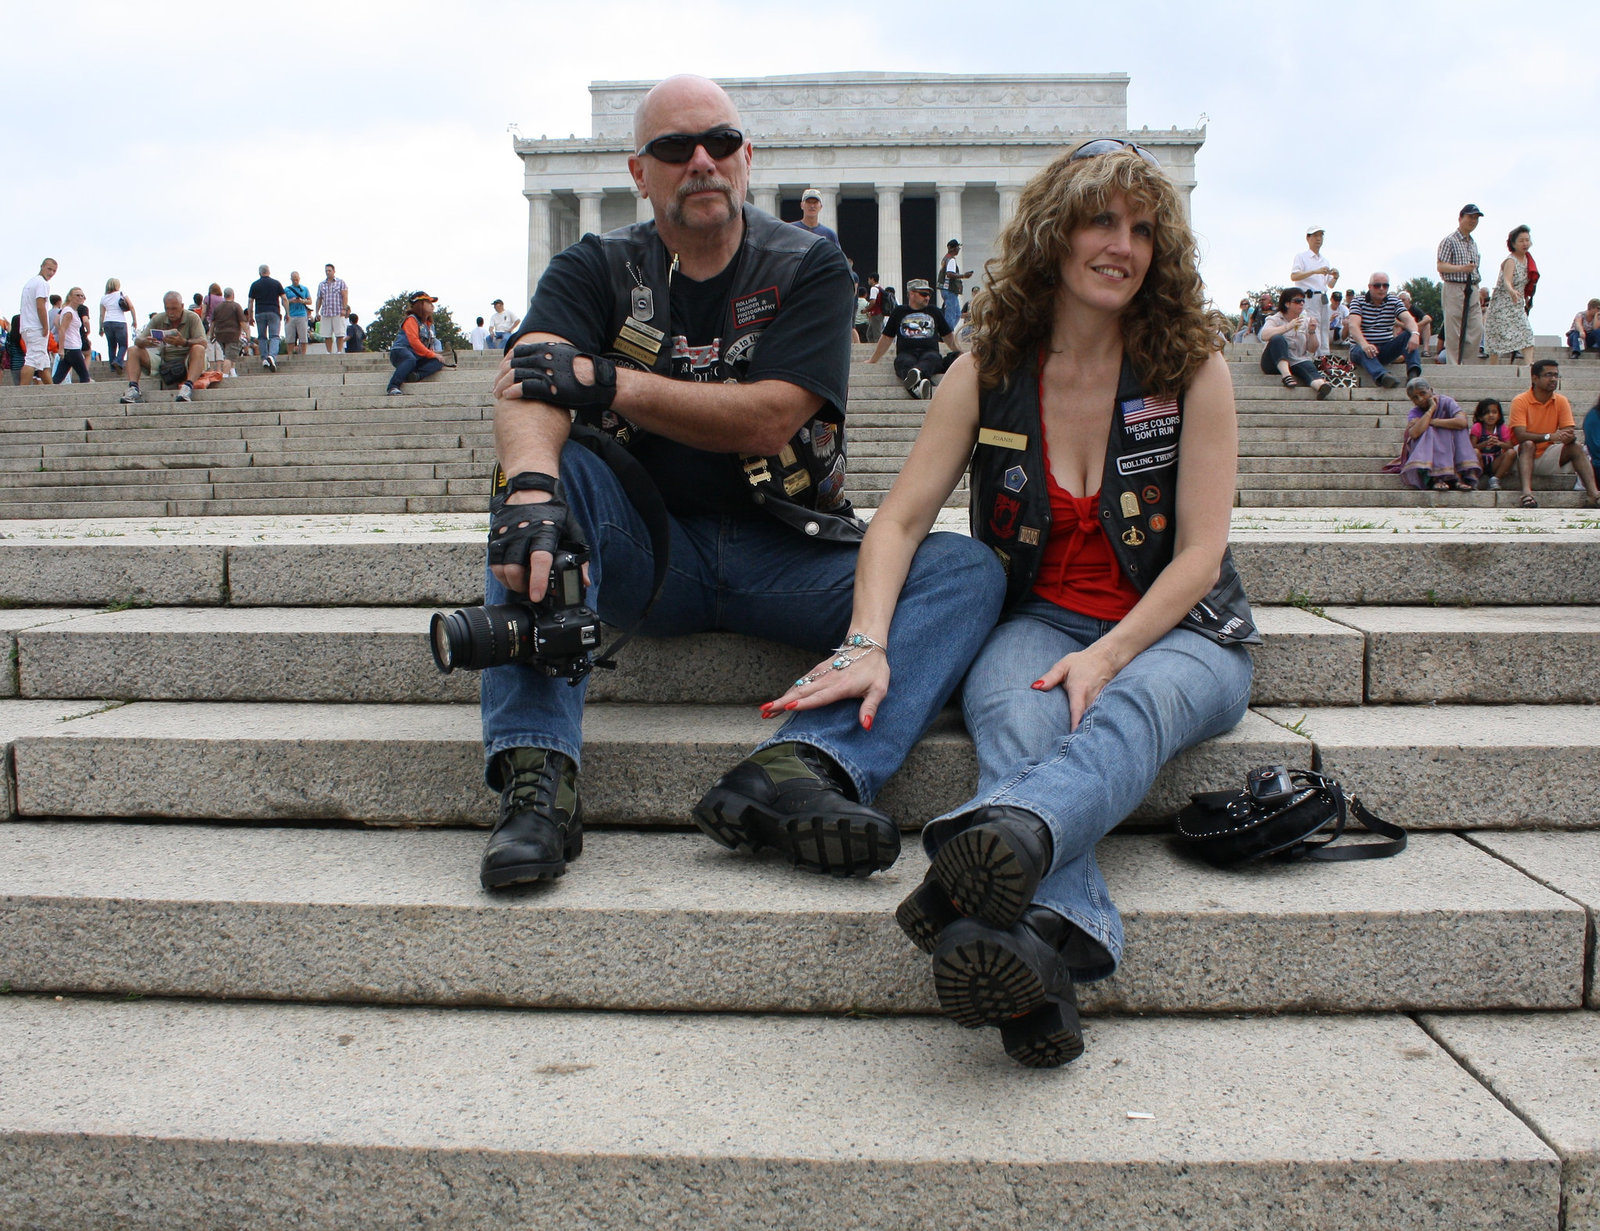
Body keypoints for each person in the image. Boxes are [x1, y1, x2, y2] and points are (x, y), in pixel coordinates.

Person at [768, 138, 1257, 1068]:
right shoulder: (985, 370)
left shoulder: (1192, 368)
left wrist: (1109, 656)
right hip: (1041, 619)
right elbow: (899, 523)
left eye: (1144, 229)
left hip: (1182, 630)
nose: (1125, 245)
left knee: (1133, 706)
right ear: (1053, 235)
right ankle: (1041, 962)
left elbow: (1199, 556)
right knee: (1010, 714)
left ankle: (1008, 836)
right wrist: (867, 640)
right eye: (1101, 221)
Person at [479, 73, 1001, 893]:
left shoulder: (809, 264)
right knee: (547, 482)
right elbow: (529, 380)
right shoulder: (597, 266)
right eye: (673, 148)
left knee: (969, 569)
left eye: (720, 143)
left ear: (748, 158)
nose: (701, 162)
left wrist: (608, 383)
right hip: (649, 546)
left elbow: (770, 418)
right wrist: (532, 489)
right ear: (637, 172)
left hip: (791, 549)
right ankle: (538, 777)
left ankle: (803, 763)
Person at [1511, 360, 1600, 507]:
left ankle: (1593, 494)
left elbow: (1568, 430)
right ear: (1535, 378)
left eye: (1556, 375)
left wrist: (1568, 437)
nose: (1553, 379)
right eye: (1548, 375)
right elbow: (1520, 435)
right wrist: (1550, 436)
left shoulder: (1561, 401)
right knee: (1528, 444)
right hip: (1520, 455)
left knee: (1576, 447)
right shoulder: (1520, 401)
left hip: (1547, 453)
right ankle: (1527, 493)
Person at [866, 278, 959, 399]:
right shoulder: (899, 312)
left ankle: (916, 376)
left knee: (932, 360)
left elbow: (948, 336)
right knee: (903, 363)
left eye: (929, 294)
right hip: (906, 353)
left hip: (929, 352)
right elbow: (886, 338)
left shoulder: (934, 311)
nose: (927, 297)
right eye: (923, 294)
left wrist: (959, 352)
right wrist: (873, 359)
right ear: (911, 293)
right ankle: (920, 384)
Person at [1383, 377, 1480, 491]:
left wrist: (1433, 422)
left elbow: (1462, 422)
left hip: (1451, 446)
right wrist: (1431, 410)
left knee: (1451, 428)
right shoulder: (1415, 412)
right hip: (1430, 452)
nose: (1420, 399)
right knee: (1428, 431)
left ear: (1431, 390)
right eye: (1415, 397)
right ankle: (1437, 477)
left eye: (1423, 393)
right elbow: (1414, 434)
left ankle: (1457, 476)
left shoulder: (1447, 401)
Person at [119, 291, 206, 404]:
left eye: (174, 309)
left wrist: (184, 342)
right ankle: (133, 389)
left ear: (182, 306)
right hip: (164, 360)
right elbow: (138, 340)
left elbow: (203, 342)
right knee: (133, 350)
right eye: (167, 309)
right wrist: (144, 342)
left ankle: (187, 387)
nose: (171, 313)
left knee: (199, 348)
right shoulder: (158, 319)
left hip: (188, 360)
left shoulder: (192, 317)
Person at [1346, 272, 1422, 387]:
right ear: (1370, 287)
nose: (1381, 289)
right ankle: (1382, 376)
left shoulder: (1394, 301)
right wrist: (1364, 344)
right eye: (1377, 285)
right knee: (1360, 350)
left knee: (1408, 335)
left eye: (1385, 285)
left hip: (1384, 349)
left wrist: (1415, 334)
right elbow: (1353, 326)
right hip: (1361, 349)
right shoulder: (1358, 301)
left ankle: (1413, 375)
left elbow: (1409, 319)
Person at [1258, 287, 1332, 398]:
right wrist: (1288, 326)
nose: (1301, 304)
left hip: (1296, 360)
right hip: (1273, 362)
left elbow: (1312, 349)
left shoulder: (1306, 321)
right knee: (1277, 338)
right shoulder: (1275, 319)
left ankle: (1320, 386)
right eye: (1297, 301)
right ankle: (1286, 375)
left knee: (1308, 366)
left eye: (1303, 301)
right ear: (1287, 304)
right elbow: (1264, 335)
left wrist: (1312, 332)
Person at [1437, 204, 1485, 365]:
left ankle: (1468, 363)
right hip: (1454, 285)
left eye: (1476, 218)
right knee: (1454, 330)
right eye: (1470, 217)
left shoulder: (1473, 243)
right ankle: (1454, 365)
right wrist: (1462, 269)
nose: (1473, 221)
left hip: (1472, 287)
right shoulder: (1449, 241)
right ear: (1461, 218)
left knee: (1476, 328)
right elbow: (1441, 265)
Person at [1484, 225, 1536, 364]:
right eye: (1521, 240)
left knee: (1526, 333)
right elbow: (1507, 280)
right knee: (1496, 340)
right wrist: (1512, 290)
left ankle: (1529, 364)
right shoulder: (1511, 260)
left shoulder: (1527, 260)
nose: (1525, 243)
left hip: (1517, 304)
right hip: (1501, 304)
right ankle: (1492, 369)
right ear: (1513, 243)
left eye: (1527, 240)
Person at [1289, 226, 1338, 357]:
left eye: (1321, 236)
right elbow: (1294, 276)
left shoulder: (1325, 260)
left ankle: (1324, 357)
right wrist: (1314, 271)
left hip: (1322, 297)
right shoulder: (1301, 257)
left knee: (1324, 328)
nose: (1318, 239)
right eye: (1315, 236)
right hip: (1308, 297)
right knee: (1312, 326)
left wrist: (1336, 277)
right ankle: (1314, 357)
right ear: (1308, 238)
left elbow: (1329, 284)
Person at [386, 291, 446, 394]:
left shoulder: (430, 325)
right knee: (410, 358)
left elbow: (429, 345)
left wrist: (434, 355)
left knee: (438, 361)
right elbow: (414, 342)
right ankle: (393, 386)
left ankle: (415, 375)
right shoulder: (411, 320)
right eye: (429, 302)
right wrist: (431, 354)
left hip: (417, 356)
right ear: (420, 304)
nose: (432, 306)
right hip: (401, 352)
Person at [17, 258, 57, 387]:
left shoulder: (30, 283)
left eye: (54, 271)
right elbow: (40, 305)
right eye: (49, 269)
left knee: (43, 361)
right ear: (42, 267)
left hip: (27, 326)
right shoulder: (42, 283)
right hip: (36, 327)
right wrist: (46, 326)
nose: (51, 273)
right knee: (33, 359)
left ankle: (52, 392)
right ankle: (20, 393)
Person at [1470, 398, 1516, 490]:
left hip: (1494, 462)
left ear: (1499, 415)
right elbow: (1471, 447)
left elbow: (1510, 446)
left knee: (1511, 452)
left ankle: (1495, 479)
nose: (1491, 415)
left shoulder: (1501, 428)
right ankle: (1474, 478)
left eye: (1494, 412)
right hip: (1480, 461)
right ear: (1480, 416)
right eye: (1487, 413)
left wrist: (1499, 443)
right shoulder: (1477, 427)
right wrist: (1484, 444)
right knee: (1475, 451)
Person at [247, 265, 286, 371]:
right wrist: (287, 312)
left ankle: (264, 358)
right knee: (274, 336)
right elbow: (284, 298)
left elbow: (250, 301)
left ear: (259, 273)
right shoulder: (276, 283)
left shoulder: (254, 285)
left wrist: (250, 316)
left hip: (260, 312)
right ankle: (272, 356)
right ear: (269, 272)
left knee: (262, 337)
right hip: (274, 312)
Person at [51, 287, 92, 384]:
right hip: (72, 348)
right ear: (70, 297)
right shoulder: (69, 312)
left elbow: (57, 322)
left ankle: (47, 395)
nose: (80, 297)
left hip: (71, 347)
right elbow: (62, 329)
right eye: (77, 295)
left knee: (57, 378)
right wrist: (61, 349)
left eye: (82, 296)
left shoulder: (73, 311)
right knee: (85, 377)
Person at [98, 278, 135, 374]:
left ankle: (113, 367)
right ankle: (118, 361)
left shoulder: (103, 298)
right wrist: (134, 320)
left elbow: (101, 314)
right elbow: (131, 306)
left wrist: (100, 327)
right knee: (123, 345)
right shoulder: (121, 294)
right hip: (119, 321)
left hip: (107, 322)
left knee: (111, 345)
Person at [209, 287, 248, 377]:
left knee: (229, 353)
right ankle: (225, 375)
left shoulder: (217, 307)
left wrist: (211, 334)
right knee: (229, 357)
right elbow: (242, 322)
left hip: (220, 335)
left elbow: (213, 323)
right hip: (233, 334)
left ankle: (233, 371)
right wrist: (247, 334)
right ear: (233, 295)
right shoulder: (236, 306)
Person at [938, 239, 971, 333]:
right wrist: (964, 276)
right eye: (957, 247)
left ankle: (947, 332)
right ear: (951, 248)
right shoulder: (951, 260)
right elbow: (949, 274)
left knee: (957, 314)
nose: (958, 249)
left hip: (946, 289)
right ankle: (947, 334)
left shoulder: (946, 258)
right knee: (951, 313)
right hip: (949, 289)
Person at [316, 264, 350, 353]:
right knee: (327, 334)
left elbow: (345, 296)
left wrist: (344, 308)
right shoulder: (321, 284)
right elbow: (319, 299)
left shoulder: (340, 282)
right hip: (326, 312)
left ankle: (339, 351)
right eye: (326, 271)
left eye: (329, 270)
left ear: (334, 271)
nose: (328, 272)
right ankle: (329, 351)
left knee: (340, 333)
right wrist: (317, 312)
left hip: (337, 311)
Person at [283, 271, 312, 355]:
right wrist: (291, 300)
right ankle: (290, 353)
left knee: (303, 336)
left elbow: (310, 301)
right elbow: (283, 302)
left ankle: (303, 353)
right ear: (291, 279)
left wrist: (302, 301)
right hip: (290, 314)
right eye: (293, 279)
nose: (295, 281)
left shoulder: (304, 289)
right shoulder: (287, 289)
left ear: (299, 279)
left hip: (302, 314)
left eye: (296, 279)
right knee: (290, 337)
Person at [862, 273, 884, 342]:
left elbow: (873, 302)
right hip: (879, 313)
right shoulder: (880, 288)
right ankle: (873, 348)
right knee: (870, 333)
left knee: (876, 334)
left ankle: (877, 350)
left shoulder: (874, 289)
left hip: (876, 313)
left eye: (869, 279)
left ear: (872, 279)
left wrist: (866, 309)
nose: (868, 281)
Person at [4, 316, 24, 385]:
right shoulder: (24, 336)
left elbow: (8, 349)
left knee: (17, 385)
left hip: (14, 365)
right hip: (26, 364)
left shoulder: (10, 336)